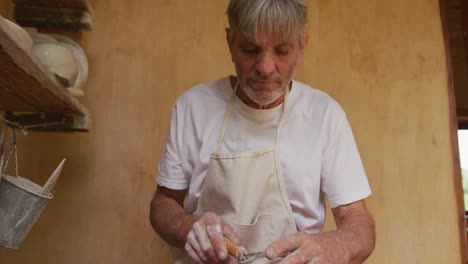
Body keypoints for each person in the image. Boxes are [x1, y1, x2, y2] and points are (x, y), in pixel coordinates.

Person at [150, 0, 375, 263]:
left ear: (302, 45)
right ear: (230, 42)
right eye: (250, 49)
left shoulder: (324, 115)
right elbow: (162, 204)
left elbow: (359, 224)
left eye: (282, 51)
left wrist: (334, 245)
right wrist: (186, 227)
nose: (265, 68)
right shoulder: (193, 108)